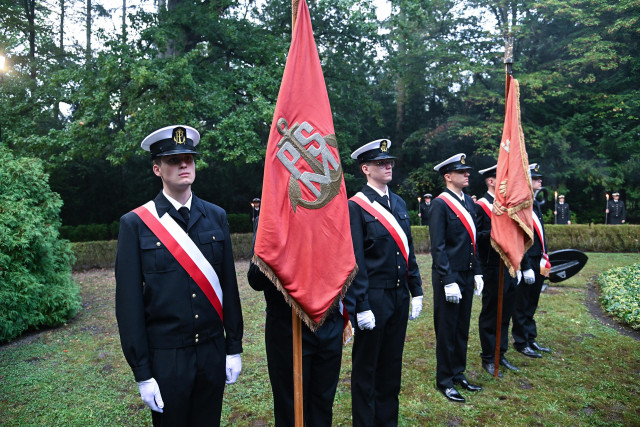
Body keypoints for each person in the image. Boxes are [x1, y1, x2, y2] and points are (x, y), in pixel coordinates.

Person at [115, 125, 244, 426]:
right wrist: (143, 372)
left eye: (189, 158)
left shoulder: (216, 216)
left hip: (212, 351)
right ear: (157, 168)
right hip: (167, 357)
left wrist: (233, 346)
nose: (184, 164)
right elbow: (129, 305)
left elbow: (229, 286)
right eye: (174, 160)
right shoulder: (136, 224)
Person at [346, 138, 424, 426]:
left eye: (389, 162)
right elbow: (356, 260)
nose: (388, 166)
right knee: (366, 368)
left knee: (392, 365)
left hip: (399, 296)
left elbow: (409, 250)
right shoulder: (356, 206)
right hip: (374, 298)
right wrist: (361, 305)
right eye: (380, 163)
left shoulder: (400, 202)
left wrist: (415, 289)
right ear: (365, 168)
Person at [247, 214, 345, 427]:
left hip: (328, 323)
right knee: (290, 410)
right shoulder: (271, 216)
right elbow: (255, 279)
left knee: (322, 405)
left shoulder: (330, 213)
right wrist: (284, 245)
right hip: (289, 329)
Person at [430, 153, 484, 403]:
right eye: (461, 172)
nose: (467, 174)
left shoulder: (469, 203)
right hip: (448, 276)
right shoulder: (440, 204)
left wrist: (478, 271)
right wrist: (448, 279)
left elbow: (472, 242)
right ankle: (444, 380)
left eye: (467, 171)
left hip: (467, 272)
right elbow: (438, 246)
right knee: (447, 328)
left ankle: (458, 372)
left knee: (462, 327)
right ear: (448, 176)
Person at [474, 165, 520, 377]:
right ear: (491, 181)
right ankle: (488, 357)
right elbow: (476, 238)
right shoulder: (480, 206)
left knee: (506, 312)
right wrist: (496, 231)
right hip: (491, 266)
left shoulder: (507, 205)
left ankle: (501, 353)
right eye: (502, 178)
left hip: (508, 265)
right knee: (491, 313)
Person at [512, 163, 550, 359]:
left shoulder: (534, 203)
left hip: (540, 259)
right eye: (535, 178)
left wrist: (546, 255)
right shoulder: (521, 203)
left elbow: (540, 234)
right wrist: (525, 265)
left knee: (533, 300)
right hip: (527, 261)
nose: (539, 181)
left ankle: (530, 336)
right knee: (523, 301)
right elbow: (520, 238)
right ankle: (521, 340)